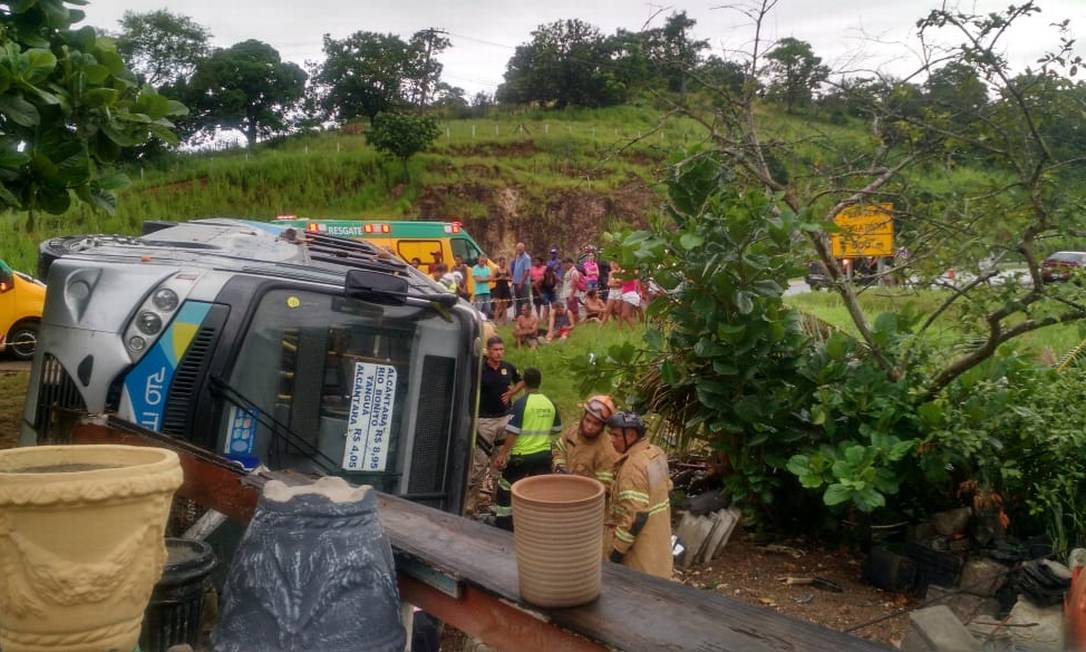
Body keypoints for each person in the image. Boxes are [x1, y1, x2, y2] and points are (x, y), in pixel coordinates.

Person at [491, 367, 562, 530]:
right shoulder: (549, 402)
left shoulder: (521, 404)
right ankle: (541, 525)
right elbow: (557, 429)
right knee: (541, 489)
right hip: (544, 454)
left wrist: (502, 454)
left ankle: (503, 522)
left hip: (522, 456)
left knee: (506, 485)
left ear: (523, 383)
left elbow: (513, 433)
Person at [605, 411, 672, 578]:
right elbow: (668, 485)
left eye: (615, 435)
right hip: (659, 541)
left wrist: (617, 551)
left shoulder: (632, 467)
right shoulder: (655, 453)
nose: (611, 440)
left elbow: (635, 517)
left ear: (631, 435)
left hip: (641, 551)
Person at [465, 336, 524, 515]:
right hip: (485, 421)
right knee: (479, 464)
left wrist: (513, 391)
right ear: (488, 351)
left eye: (501, 349)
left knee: (500, 462)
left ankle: (497, 501)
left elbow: (522, 380)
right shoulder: (480, 369)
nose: (499, 353)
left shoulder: (508, 367)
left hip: (504, 419)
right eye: (495, 350)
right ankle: (470, 503)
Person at [552, 395, 618, 491]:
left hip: (588, 500)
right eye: (587, 420)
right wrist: (561, 468)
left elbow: (604, 487)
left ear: (603, 427)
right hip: (565, 489)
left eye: (596, 424)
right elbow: (558, 449)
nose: (589, 427)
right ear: (583, 416)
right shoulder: (572, 432)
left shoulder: (607, 451)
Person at [558, 257, 582, 326]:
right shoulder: (568, 271)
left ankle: (577, 323)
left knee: (574, 310)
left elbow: (575, 284)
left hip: (572, 294)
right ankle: (573, 322)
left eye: (565, 264)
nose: (564, 266)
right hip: (568, 293)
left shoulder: (574, 272)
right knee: (570, 309)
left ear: (569, 263)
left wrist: (572, 295)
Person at [511, 242, 532, 315]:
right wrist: (513, 281)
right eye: (518, 249)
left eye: (520, 249)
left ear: (523, 249)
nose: (519, 251)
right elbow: (516, 269)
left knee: (525, 300)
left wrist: (521, 283)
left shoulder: (527, 258)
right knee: (518, 300)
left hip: (523, 283)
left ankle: (528, 316)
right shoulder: (517, 256)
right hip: (516, 282)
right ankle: (519, 316)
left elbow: (527, 271)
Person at [492, 256, 512, 323]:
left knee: (504, 307)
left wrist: (506, 278)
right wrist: (499, 278)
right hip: (498, 289)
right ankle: (495, 321)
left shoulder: (507, 269)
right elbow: (492, 279)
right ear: (499, 262)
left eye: (504, 262)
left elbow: (511, 278)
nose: (503, 264)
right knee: (498, 307)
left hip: (505, 289)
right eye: (502, 262)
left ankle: (504, 322)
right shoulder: (496, 270)